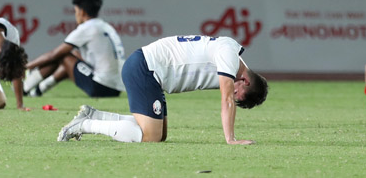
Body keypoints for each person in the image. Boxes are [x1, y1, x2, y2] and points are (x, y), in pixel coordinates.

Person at [57, 35, 268, 144]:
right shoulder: (229, 57)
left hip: (152, 72)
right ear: (245, 81)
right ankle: (84, 125)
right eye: (238, 93)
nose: (233, 94)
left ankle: (95, 115)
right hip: (145, 68)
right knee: (150, 136)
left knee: (160, 135)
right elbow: (226, 100)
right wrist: (231, 139)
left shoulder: (230, 54)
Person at [23, 0, 124, 98]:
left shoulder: (87, 28)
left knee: (63, 55)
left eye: (76, 11)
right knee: (73, 56)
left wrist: (27, 66)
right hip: (116, 88)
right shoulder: (107, 27)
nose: (75, 15)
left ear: (82, 12)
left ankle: (25, 87)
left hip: (101, 86)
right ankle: (38, 91)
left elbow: (53, 55)